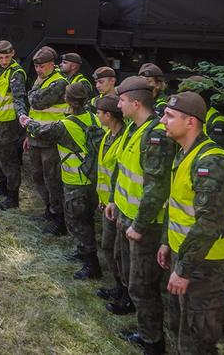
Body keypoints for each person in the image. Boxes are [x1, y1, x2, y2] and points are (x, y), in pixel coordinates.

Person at [156, 92, 224, 355]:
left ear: (191, 122)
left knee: (198, 341)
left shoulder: (211, 163)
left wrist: (183, 270)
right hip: (188, 257)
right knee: (182, 329)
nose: (162, 121)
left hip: (207, 266)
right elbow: (179, 206)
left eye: (169, 116)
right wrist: (166, 242)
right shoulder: (186, 153)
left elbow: (209, 224)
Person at [104, 76, 176, 354]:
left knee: (143, 286)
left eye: (121, 100)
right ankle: (144, 331)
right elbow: (123, 168)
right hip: (125, 214)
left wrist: (140, 225)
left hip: (143, 224)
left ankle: (152, 343)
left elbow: (156, 188)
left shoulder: (154, 135)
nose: (117, 104)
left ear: (135, 103)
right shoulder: (135, 129)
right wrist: (113, 200)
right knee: (131, 278)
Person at [22, 83, 103, 279]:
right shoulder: (93, 117)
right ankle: (83, 252)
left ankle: (91, 266)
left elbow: (43, 131)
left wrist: (26, 122)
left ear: (67, 100)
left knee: (78, 223)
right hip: (93, 178)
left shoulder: (66, 125)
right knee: (86, 220)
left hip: (76, 181)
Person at [26, 46, 69, 235]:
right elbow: (34, 109)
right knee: (37, 175)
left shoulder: (59, 83)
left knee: (53, 180)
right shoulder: (43, 79)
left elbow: (36, 102)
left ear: (53, 64)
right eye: (36, 67)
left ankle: (59, 219)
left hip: (51, 139)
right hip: (36, 136)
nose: (38, 70)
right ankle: (49, 210)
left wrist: (31, 94)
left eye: (42, 66)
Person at [0, 40, 28, 210]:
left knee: (9, 160)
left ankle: (12, 197)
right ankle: (1, 185)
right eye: (1, 57)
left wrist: (22, 114)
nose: (4, 61)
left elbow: (19, 97)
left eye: (7, 57)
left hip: (9, 124)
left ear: (13, 54)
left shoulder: (16, 73)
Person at [93, 95, 127, 301]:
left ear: (108, 115)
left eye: (98, 113)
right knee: (108, 246)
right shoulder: (108, 135)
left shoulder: (123, 139)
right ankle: (118, 284)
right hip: (107, 202)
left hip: (119, 204)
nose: (96, 116)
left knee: (118, 251)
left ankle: (125, 291)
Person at [178, 75, 224, 149]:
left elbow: (215, 156)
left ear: (200, 96)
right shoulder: (194, 116)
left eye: (188, 95)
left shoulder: (217, 124)